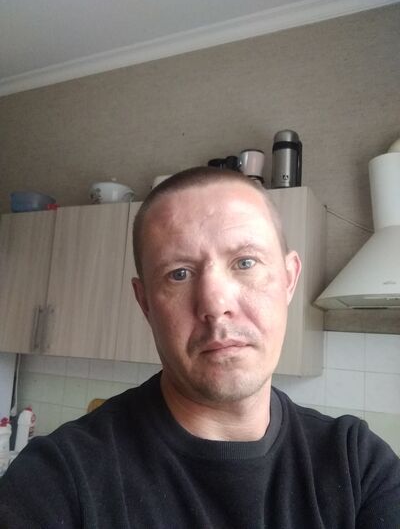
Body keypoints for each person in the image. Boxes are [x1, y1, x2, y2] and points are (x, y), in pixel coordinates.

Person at [0, 167, 399, 528]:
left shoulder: (358, 464)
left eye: (245, 262)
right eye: (179, 274)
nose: (214, 304)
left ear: (289, 278)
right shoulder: (60, 478)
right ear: (145, 303)